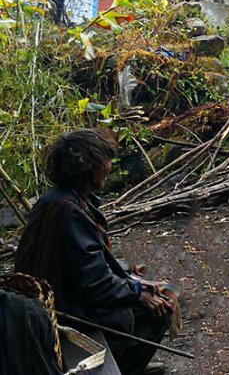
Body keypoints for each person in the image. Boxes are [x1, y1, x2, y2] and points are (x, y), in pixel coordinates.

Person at [15, 129, 172, 375]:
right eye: (105, 160)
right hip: (64, 312)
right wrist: (138, 290)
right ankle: (124, 368)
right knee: (161, 306)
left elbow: (81, 264)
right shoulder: (70, 212)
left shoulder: (56, 201)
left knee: (149, 291)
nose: (109, 166)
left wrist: (127, 274)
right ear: (89, 167)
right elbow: (96, 286)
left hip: (51, 301)